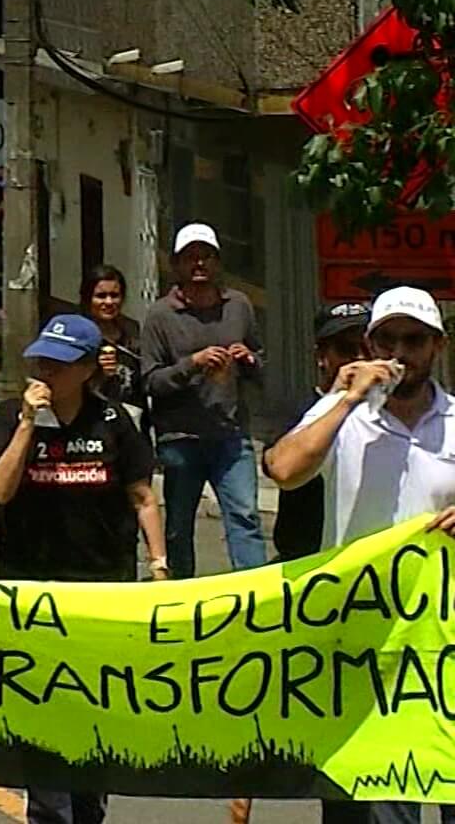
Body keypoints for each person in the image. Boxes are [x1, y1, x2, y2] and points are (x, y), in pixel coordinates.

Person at [264, 288, 455, 824]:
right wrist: (346, 399)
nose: (400, 352)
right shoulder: (341, 413)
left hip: (440, 645)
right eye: (387, 340)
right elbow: (284, 468)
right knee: (375, 808)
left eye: (414, 340)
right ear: (370, 346)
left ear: (436, 346)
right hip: (360, 640)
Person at [0, 314, 167, 824]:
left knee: (93, 719)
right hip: (29, 590)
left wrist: (158, 566)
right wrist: (27, 424)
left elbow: (142, 496)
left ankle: (88, 808)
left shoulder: (113, 422)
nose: (47, 372)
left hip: (98, 593)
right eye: (42, 360)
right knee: (40, 716)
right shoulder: (7, 416)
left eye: (60, 364)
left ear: (87, 369)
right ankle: (48, 813)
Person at [140, 222, 267, 578]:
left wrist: (249, 360)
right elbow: (150, 381)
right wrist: (192, 364)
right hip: (181, 439)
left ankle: (253, 589)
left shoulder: (238, 306)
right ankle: (183, 593)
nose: (199, 265)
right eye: (191, 258)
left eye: (206, 257)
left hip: (231, 434)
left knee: (245, 515)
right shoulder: (160, 316)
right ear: (177, 264)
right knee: (179, 525)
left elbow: (261, 364)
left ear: (218, 263)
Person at [263, 302, 369, 562]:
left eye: (368, 348)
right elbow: (278, 469)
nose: (360, 358)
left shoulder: (394, 412)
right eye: (346, 349)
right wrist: (339, 399)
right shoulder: (297, 410)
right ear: (321, 355)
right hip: (304, 556)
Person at [83, 264, 145, 413]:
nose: (109, 302)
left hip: (133, 416)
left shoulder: (132, 332)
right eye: (101, 296)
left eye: (114, 295)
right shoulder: (80, 336)